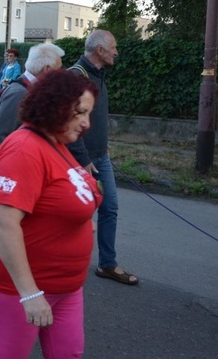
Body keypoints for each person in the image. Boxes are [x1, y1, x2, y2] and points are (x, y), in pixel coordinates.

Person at [0, 70, 101, 359]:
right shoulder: (23, 148)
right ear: (56, 106)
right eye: (81, 113)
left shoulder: (57, 143)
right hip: (21, 285)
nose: (87, 123)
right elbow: (3, 222)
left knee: (68, 354)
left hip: (67, 284)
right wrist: (31, 294)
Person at [68, 29, 138, 285]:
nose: (116, 52)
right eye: (113, 47)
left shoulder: (97, 74)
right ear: (99, 51)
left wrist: (102, 150)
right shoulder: (76, 77)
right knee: (77, 215)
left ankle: (107, 264)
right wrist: (83, 159)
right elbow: (68, 122)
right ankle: (65, 265)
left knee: (109, 209)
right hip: (80, 160)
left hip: (100, 157)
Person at [0, 43, 65, 155]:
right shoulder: (19, 93)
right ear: (47, 69)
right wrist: (12, 168)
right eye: (58, 69)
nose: (60, 74)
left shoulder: (31, 89)